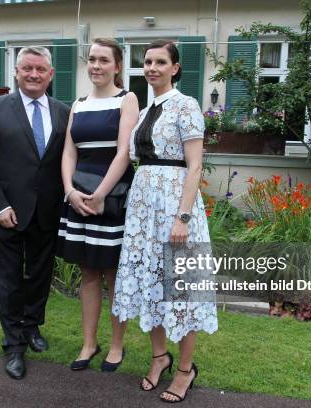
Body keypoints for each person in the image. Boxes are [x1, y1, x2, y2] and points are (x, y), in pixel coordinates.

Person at [112, 40, 218, 403]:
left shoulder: (186, 106)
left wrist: (183, 218)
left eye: (161, 62)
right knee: (150, 284)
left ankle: (186, 370)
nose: (152, 67)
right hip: (144, 211)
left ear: (175, 68)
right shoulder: (143, 113)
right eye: (147, 62)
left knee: (182, 290)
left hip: (176, 208)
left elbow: (195, 166)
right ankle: (160, 357)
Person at [0, 46, 70, 380]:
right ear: (16, 72)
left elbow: (64, 162)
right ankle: (13, 345)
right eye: (27, 68)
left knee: (40, 275)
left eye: (40, 69)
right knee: (11, 279)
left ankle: (32, 327)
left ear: (50, 74)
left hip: (47, 211)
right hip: (8, 212)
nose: (33, 74)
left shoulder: (63, 112)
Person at [56, 38, 139, 372]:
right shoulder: (77, 103)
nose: (96, 66)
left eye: (104, 60)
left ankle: (117, 346)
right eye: (91, 59)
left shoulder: (127, 99)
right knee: (88, 272)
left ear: (117, 66)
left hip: (114, 194)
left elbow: (124, 152)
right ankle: (89, 343)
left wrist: (102, 192)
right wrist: (69, 191)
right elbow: (68, 152)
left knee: (114, 274)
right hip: (79, 195)